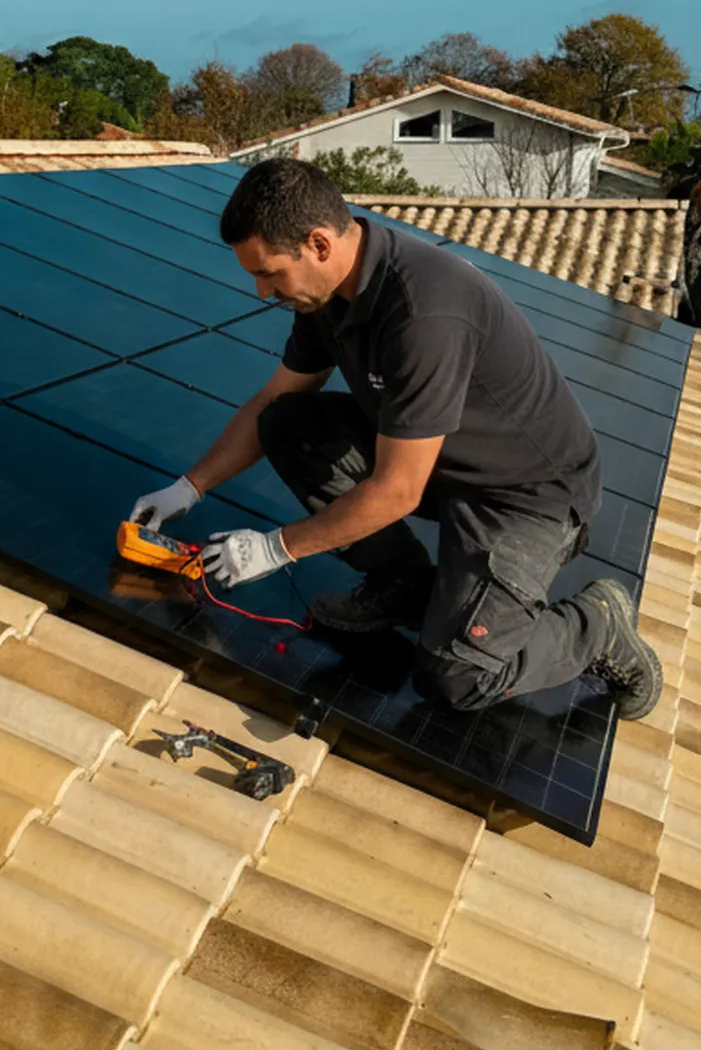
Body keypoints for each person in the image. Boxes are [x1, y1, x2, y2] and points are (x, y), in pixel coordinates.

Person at [128, 158, 661, 719]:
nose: (263, 292)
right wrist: (189, 488)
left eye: (270, 274)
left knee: (458, 678)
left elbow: (398, 490)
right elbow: (271, 399)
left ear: (318, 244)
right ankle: (403, 585)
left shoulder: (423, 313)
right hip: (437, 462)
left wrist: (275, 547)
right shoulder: (326, 295)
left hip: (524, 494)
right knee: (289, 422)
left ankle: (597, 625)